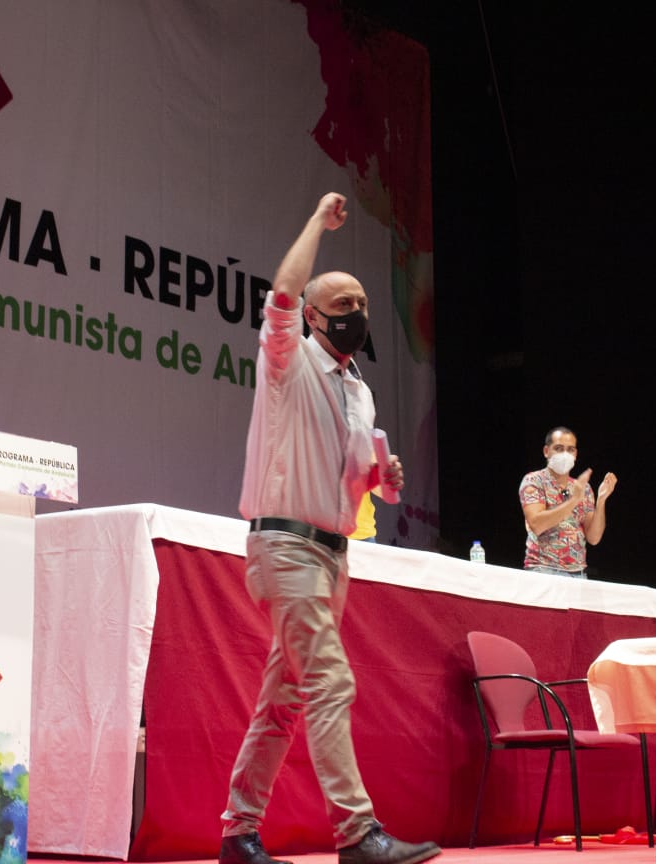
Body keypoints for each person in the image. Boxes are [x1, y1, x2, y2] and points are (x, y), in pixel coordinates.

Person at [219, 193, 440, 864]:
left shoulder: (358, 388)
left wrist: (380, 475)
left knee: (284, 700)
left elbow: (348, 469)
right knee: (330, 682)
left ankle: (238, 831)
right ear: (313, 316)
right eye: (341, 306)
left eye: (362, 305)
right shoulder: (288, 359)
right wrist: (317, 219)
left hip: (332, 554)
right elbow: (282, 292)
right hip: (284, 545)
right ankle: (356, 833)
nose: (356, 315)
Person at [518, 427, 616, 578]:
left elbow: (594, 538)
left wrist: (601, 500)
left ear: (575, 454)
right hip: (543, 570)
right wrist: (574, 500)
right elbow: (537, 525)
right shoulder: (534, 481)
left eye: (570, 450)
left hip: (578, 573)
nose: (565, 454)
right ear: (546, 451)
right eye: (558, 448)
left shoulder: (584, 488)